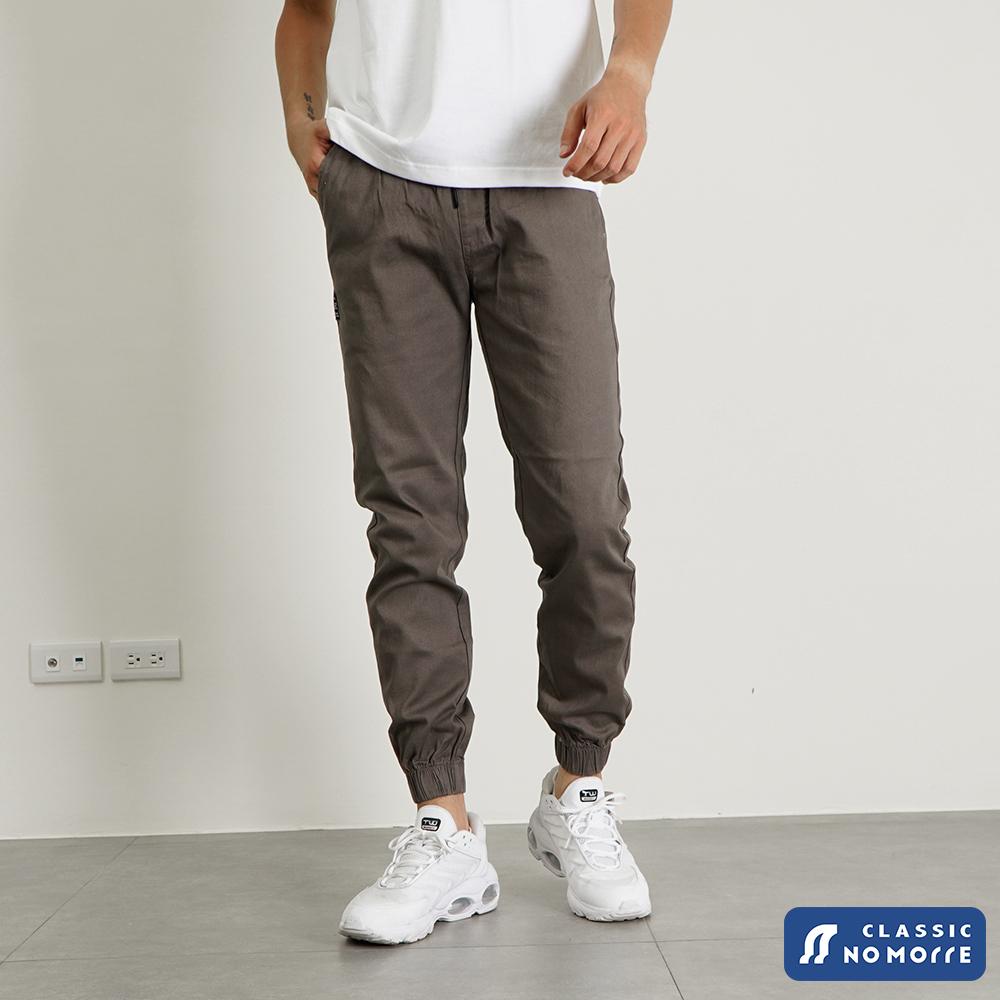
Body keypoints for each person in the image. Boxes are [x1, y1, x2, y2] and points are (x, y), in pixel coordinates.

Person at [275, 0, 673, 945]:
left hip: (548, 176)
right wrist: (301, 121)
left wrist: (630, 73)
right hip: (383, 188)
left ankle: (578, 785)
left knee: (584, 511)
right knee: (409, 518)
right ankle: (442, 821)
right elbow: (306, 13)